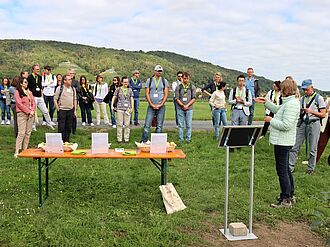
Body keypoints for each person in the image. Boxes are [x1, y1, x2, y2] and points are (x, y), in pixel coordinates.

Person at [255, 78, 300, 208]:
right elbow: (278, 109)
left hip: (283, 142)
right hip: (283, 141)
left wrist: (270, 120)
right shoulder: (289, 102)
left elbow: (286, 125)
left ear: (285, 90)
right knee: (285, 168)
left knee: (282, 171)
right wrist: (266, 102)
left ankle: (286, 199)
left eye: (281, 89)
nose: (280, 91)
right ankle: (290, 194)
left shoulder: (291, 104)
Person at [289, 79, 326, 174]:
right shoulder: (302, 99)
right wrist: (301, 112)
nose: (305, 91)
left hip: (314, 123)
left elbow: (323, 114)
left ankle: (310, 169)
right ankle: (290, 167)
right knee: (295, 146)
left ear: (312, 88)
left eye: (307, 89)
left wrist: (310, 111)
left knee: (313, 148)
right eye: (304, 89)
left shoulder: (319, 98)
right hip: (303, 123)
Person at [141, 65, 169, 143]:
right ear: (154, 71)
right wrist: (151, 104)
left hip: (161, 106)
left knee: (159, 126)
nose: (159, 72)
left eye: (161, 71)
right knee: (147, 125)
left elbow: (166, 93)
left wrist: (161, 104)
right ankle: (144, 141)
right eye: (158, 71)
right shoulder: (149, 80)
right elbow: (147, 93)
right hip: (151, 106)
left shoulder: (164, 81)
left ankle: (157, 142)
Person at [27, 64, 55, 130]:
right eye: (37, 69)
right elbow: (27, 88)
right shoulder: (29, 77)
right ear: (33, 70)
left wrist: (41, 95)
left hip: (40, 97)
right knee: (33, 112)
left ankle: (49, 123)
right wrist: (30, 97)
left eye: (39, 69)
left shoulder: (40, 77)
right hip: (33, 97)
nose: (38, 70)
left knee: (45, 111)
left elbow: (41, 87)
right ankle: (33, 126)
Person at [14, 77, 36, 158]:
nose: (27, 83)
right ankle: (17, 150)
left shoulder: (29, 92)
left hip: (31, 115)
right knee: (21, 133)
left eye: (27, 82)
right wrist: (28, 111)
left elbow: (33, 102)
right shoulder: (17, 92)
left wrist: (32, 111)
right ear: (21, 83)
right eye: (25, 82)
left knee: (28, 133)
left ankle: (25, 150)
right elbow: (19, 104)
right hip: (22, 114)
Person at [54, 75, 77, 142]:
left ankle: (67, 141)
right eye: (69, 79)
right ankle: (60, 141)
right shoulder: (59, 88)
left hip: (70, 110)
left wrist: (75, 110)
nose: (71, 81)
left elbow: (75, 99)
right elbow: (55, 99)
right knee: (61, 127)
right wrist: (58, 108)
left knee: (68, 127)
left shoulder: (73, 89)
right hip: (62, 110)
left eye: (71, 79)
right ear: (64, 81)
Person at [112, 77, 134, 143]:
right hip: (119, 108)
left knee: (127, 124)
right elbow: (114, 97)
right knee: (119, 124)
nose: (126, 83)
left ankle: (126, 139)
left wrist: (132, 107)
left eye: (127, 82)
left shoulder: (130, 90)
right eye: (124, 82)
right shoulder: (118, 89)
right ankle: (119, 139)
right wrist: (112, 105)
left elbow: (131, 98)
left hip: (127, 109)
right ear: (121, 82)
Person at [175, 72, 196, 143]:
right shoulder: (178, 87)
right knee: (180, 125)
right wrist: (182, 105)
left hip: (189, 109)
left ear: (189, 79)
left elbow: (194, 98)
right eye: (184, 78)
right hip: (180, 108)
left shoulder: (192, 87)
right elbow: (177, 98)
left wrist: (187, 105)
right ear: (182, 78)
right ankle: (180, 139)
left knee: (188, 124)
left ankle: (188, 139)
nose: (186, 80)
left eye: (187, 78)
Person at [317, 96, 330, 162]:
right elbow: (324, 110)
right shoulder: (328, 100)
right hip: (327, 123)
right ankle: (315, 159)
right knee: (321, 142)